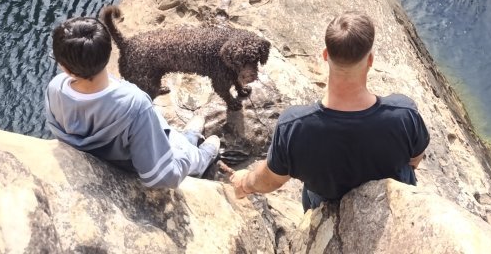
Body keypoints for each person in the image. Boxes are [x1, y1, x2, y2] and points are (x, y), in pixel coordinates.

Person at [230, 12, 429, 211]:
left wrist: (245, 182)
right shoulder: (403, 113)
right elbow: (415, 158)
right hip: (387, 203)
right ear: (370, 60)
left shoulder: (294, 126)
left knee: (312, 194)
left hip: (327, 203)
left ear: (325, 55)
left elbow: (271, 180)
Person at [45, 14, 220, 189]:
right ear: (109, 52)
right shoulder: (135, 105)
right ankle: (200, 157)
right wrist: (182, 158)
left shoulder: (54, 88)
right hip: (144, 157)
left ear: (65, 68)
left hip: (119, 151)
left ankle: (188, 137)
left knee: (166, 131)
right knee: (181, 147)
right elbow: (162, 178)